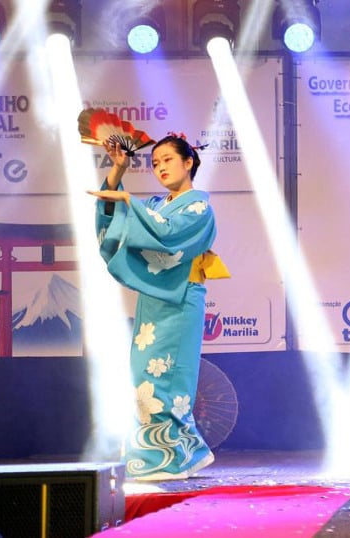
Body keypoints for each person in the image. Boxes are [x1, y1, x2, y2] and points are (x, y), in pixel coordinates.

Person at [89, 133, 229, 481]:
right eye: (154, 163)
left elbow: (166, 234)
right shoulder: (154, 204)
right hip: (154, 298)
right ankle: (184, 452)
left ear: (188, 162)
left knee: (165, 376)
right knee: (144, 374)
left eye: (168, 159)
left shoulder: (198, 208)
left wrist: (128, 200)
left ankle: (164, 458)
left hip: (181, 297)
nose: (161, 167)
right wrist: (118, 171)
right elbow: (117, 224)